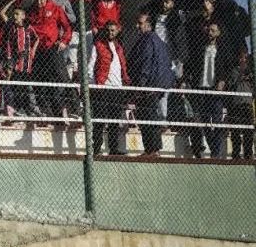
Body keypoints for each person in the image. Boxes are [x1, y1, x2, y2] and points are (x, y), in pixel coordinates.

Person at [127, 12, 175, 157]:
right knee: (150, 116)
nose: (137, 26)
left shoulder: (147, 40)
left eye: (140, 23)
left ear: (148, 24)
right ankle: (152, 149)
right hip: (157, 84)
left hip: (149, 84)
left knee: (147, 116)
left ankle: (152, 149)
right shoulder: (159, 41)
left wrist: (141, 85)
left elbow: (145, 63)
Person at [185, 22, 232, 158]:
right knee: (205, 121)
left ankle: (216, 154)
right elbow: (193, 64)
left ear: (218, 33)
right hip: (202, 87)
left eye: (213, 30)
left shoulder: (222, 49)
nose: (210, 32)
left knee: (216, 122)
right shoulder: (201, 47)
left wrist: (222, 80)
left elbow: (228, 67)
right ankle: (214, 150)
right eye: (209, 30)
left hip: (215, 89)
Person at [27, 0, 73, 118]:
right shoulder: (31, 11)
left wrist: (64, 41)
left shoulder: (56, 8)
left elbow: (67, 27)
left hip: (52, 48)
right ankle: (48, 113)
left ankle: (74, 108)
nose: (39, 2)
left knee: (62, 77)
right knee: (40, 81)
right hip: (37, 51)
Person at [89, 21, 130, 155]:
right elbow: (91, 65)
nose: (110, 33)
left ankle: (113, 148)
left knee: (114, 120)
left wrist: (125, 81)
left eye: (113, 30)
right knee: (99, 119)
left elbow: (122, 66)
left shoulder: (119, 47)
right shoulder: (98, 45)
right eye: (108, 30)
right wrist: (92, 84)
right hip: (103, 86)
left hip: (116, 87)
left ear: (118, 31)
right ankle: (96, 148)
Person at [1, 4, 41, 117]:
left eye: (17, 14)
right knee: (16, 84)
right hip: (15, 60)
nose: (15, 16)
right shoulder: (11, 26)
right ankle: (17, 108)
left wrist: (33, 50)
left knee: (25, 85)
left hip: (26, 60)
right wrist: (10, 2)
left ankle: (27, 108)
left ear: (23, 16)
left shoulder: (28, 27)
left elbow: (37, 38)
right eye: (14, 14)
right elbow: (2, 13)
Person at [225, 51, 254, 160]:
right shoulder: (235, 70)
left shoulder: (251, 72)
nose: (243, 60)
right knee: (236, 131)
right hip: (237, 104)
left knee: (248, 131)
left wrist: (249, 76)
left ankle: (248, 154)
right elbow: (232, 83)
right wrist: (242, 73)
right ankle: (236, 154)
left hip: (247, 104)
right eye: (241, 58)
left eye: (245, 58)